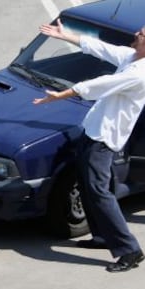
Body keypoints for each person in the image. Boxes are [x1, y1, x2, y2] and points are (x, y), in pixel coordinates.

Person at [33, 19, 145, 272]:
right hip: (93, 131)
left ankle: (130, 250)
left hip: (103, 139)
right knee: (87, 186)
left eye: (141, 34)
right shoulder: (131, 57)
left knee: (99, 192)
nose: (136, 33)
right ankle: (103, 237)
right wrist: (65, 36)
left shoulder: (139, 74)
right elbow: (101, 47)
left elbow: (99, 85)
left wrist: (62, 95)